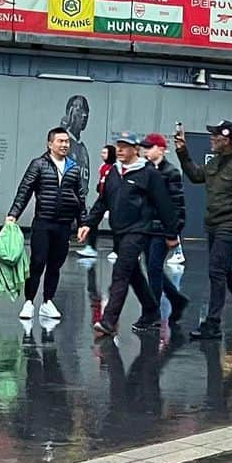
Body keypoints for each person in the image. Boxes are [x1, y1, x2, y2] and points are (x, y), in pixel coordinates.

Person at [80, 133, 179, 339]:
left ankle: (109, 320)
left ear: (135, 149)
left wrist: (171, 233)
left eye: (126, 146)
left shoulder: (148, 174)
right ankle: (152, 310)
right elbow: (102, 202)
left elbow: (164, 204)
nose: (121, 150)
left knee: (121, 272)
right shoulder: (114, 173)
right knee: (133, 274)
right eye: (119, 146)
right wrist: (88, 224)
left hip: (138, 230)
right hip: (119, 231)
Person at [175, 120, 232, 340]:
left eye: (215, 136)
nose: (211, 139)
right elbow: (196, 176)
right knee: (223, 270)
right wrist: (182, 152)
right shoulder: (217, 161)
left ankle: (212, 324)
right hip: (215, 224)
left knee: (216, 269)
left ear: (227, 140)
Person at [6, 127, 87, 323]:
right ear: (50, 144)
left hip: (64, 225)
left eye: (67, 141)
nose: (65, 145)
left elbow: (80, 198)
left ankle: (47, 302)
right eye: (60, 141)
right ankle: (29, 302)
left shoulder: (73, 168)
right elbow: (24, 190)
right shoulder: (39, 165)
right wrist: (13, 214)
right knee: (38, 263)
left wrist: (83, 222)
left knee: (55, 265)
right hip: (43, 222)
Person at [141, 133, 190, 323]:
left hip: (162, 229)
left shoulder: (171, 173)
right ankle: (176, 300)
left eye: (149, 147)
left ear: (160, 149)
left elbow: (177, 205)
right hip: (147, 227)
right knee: (152, 268)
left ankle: (153, 312)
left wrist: (173, 232)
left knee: (154, 268)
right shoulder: (145, 170)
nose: (146, 150)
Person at [78, 143, 115, 258]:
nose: (102, 154)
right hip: (102, 198)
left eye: (105, 152)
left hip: (113, 199)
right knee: (92, 221)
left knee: (117, 224)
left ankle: (118, 249)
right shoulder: (103, 167)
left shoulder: (115, 168)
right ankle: (91, 247)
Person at [61, 94, 91, 193]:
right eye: (80, 110)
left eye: (86, 111)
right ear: (69, 112)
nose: (84, 115)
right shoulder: (63, 144)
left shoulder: (83, 150)